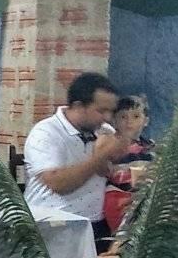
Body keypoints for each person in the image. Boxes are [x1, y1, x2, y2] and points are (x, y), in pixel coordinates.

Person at [23, 72, 125, 240]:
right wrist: (101, 155)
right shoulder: (46, 132)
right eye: (101, 110)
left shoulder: (104, 130)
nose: (107, 117)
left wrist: (121, 143)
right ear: (78, 106)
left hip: (94, 223)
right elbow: (58, 184)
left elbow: (108, 169)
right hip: (51, 225)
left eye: (111, 111)